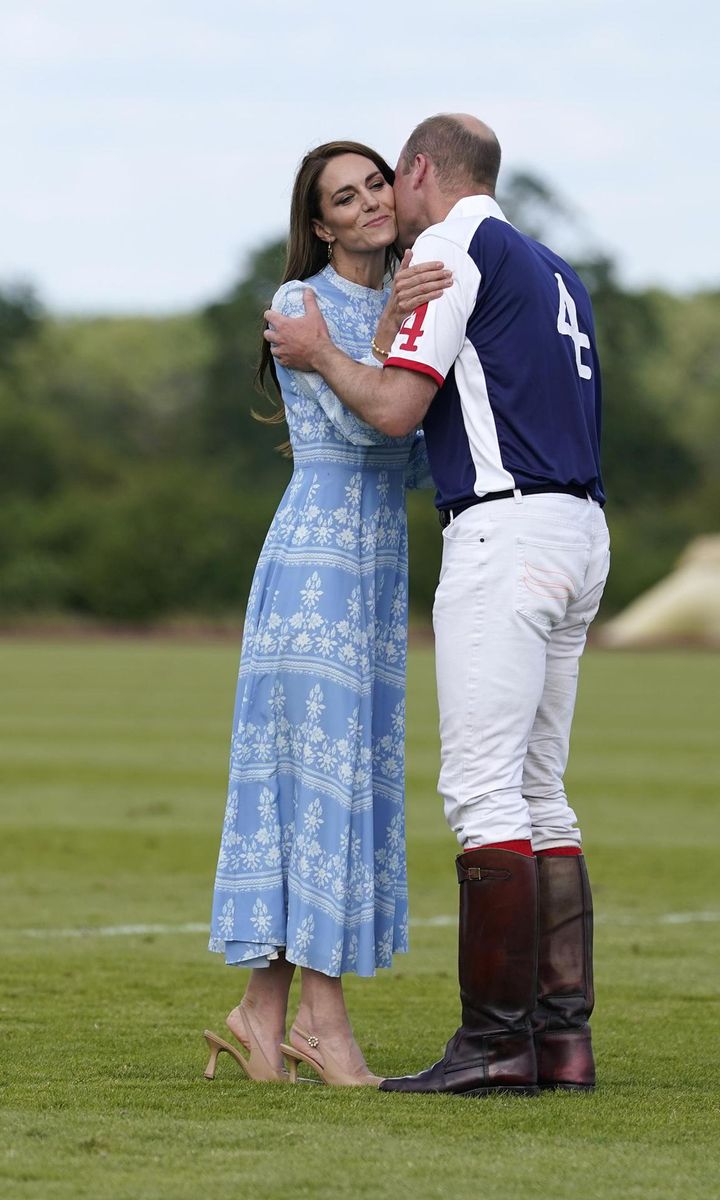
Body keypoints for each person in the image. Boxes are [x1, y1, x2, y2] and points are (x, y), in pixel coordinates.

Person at [264, 113, 611, 1096]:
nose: (387, 205)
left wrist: (323, 353)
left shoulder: (454, 249)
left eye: (390, 182)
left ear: (420, 172)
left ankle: (497, 1046)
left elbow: (394, 409)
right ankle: (560, 1044)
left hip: (506, 536)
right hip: (580, 527)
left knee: (485, 794)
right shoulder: (551, 264)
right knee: (543, 793)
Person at [204, 140, 451, 1088]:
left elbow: (420, 446)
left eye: (376, 183)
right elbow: (362, 422)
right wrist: (387, 328)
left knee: (340, 778)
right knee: (314, 780)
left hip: (378, 558)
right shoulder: (298, 307)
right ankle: (323, 1025)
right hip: (314, 559)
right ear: (319, 223)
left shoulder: (416, 290)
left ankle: (259, 1017)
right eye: (343, 198)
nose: (369, 204)